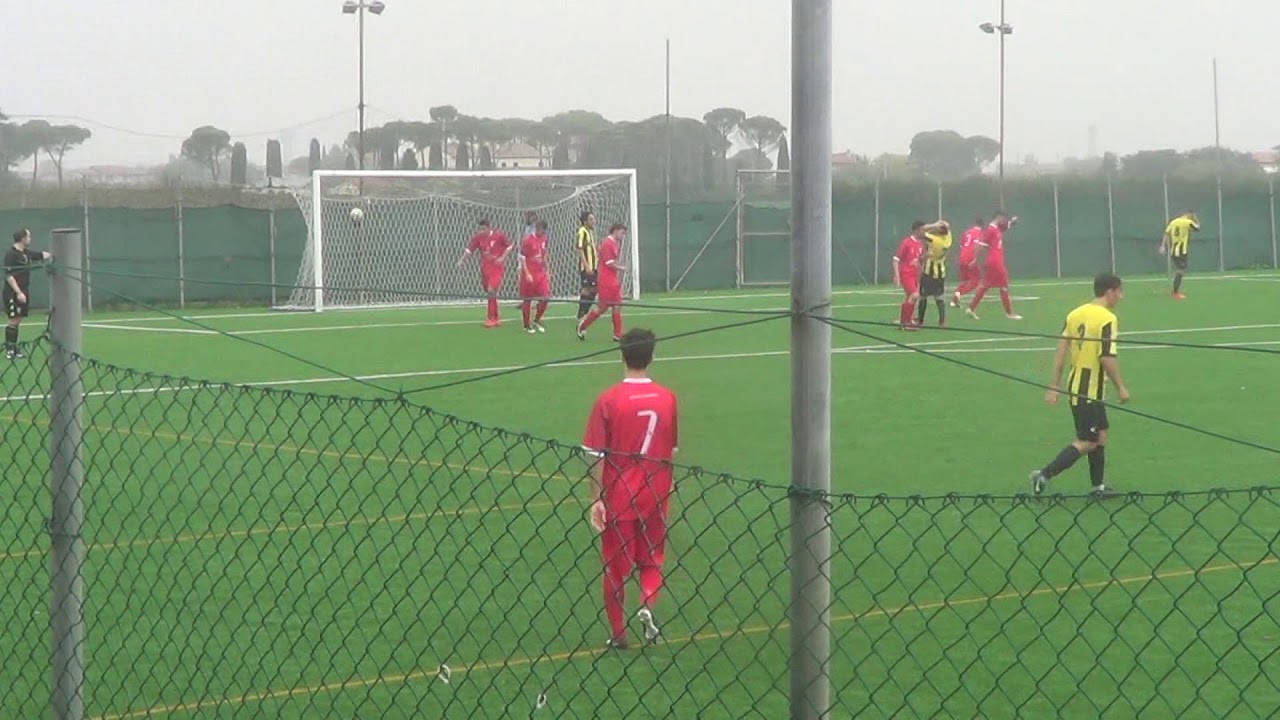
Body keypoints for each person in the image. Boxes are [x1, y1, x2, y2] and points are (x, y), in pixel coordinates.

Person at [582, 327, 679, 650]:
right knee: (652, 560)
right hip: (656, 491)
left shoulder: (609, 399)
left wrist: (595, 498)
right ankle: (647, 606)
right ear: (652, 356)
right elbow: (671, 450)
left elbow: (595, 454)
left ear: (621, 354)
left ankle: (619, 632)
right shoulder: (667, 398)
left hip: (620, 493)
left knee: (615, 566)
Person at [1030, 272, 1130, 498]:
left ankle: (1098, 488)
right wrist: (1121, 387)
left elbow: (1061, 351)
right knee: (1088, 441)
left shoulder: (1074, 314)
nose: (1121, 297)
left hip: (1077, 385)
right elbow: (1106, 357)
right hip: (1089, 390)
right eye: (1119, 292)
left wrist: (1054, 385)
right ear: (1109, 291)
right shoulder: (1107, 319)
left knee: (1101, 434)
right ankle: (1043, 475)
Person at [4, 228, 52, 360]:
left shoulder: (26, 253)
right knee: (13, 320)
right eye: (29, 236)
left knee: (18, 319)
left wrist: (54, 254)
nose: (30, 239)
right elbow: (8, 276)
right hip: (13, 292)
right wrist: (18, 292)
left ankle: (13, 347)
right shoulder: (11, 254)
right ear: (23, 238)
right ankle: (9, 350)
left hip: (24, 290)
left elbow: (41, 255)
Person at [455, 219, 512, 328]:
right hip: (485, 268)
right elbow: (469, 250)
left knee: (491, 290)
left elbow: (509, 247)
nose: (482, 231)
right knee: (490, 292)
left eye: (483, 229)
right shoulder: (478, 238)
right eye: (480, 229)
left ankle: (491, 318)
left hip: (496, 267)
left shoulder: (499, 236)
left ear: (489, 227)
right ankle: (496, 317)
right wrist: (461, 260)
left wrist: (502, 258)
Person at [966, 211, 1022, 321]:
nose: (1005, 221)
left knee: (986, 286)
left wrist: (1012, 222)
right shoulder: (991, 230)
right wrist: (974, 259)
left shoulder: (996, 229)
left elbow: (1005, 227)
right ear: (999, 218)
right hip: (995, 263)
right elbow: (979, 245)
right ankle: (1009, 313)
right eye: (1004, 219)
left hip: (994, 262)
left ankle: (971, 308)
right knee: (1003, 286)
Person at [577, 223, 627, 341]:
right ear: (615, 230)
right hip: (606, 280)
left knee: (616, 305)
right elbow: (608, 263)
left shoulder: (615, 243)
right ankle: (583, 326)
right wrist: (621, 268)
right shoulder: (607, 243)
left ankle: (617, 334)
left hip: (612, 279)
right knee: (603, 307)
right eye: (621, 232)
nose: (622, 235)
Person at [892, 221, 927, 331]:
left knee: (909, 297)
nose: (924, 232)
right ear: (916, 230)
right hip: (906, 274)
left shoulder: (920, 244)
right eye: (923, 230)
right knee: (915, 295)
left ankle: (904, 321)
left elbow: (919, 259)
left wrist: (925, 257)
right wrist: (897, 275)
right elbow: (896, 259)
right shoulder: (907, 242)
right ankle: (906, 323)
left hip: (915, 275)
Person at [918, 221, 953, 327]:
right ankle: (942, 321)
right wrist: (940, 224)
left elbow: (921, 232)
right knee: (939, 297)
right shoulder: (948, 239)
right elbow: (947, 226)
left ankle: (920, 321)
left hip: (929, 271)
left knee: (923, 296)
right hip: (940, 271)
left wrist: (933, 225)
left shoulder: (935, 240)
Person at [519, 220, 551, 333]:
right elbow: (522, 257)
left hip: (540, 272)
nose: (542, 232)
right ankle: (526, 325)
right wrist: (526, 273)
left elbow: (544, 254)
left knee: (546, 297)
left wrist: (547, 270)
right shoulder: (527, 240)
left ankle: (536, 319)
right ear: (537, 228)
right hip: (529, 272)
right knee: (527, 300)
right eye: (541, 230)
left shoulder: (544, 238)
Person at [1160, 209, 1199, 300]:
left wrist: (1162, 246)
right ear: (1188, 214)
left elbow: (1166, 233)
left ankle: (1175, 290)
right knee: (1181, 270)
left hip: (1174, 250)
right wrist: (1196, 219)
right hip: (1181, 251)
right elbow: (1197, 228)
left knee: (1181, 269)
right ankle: (1175, 292)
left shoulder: (1173, 222)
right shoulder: (1188, 222)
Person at [951, 218, 986, 307]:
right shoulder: (980, 233)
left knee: (964, 281)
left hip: (962, 257)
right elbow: (977, 246)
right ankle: (958, 294)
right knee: (975, 281)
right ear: (983, 225)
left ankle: (954, 300)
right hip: (970, 258)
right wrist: (974, 259)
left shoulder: (967, 232)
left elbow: (962, 245)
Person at [576, 211, 598, 322]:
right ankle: (581, 315)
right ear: (585, 221)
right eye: (591, 219)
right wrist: (586, 266)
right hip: (587, 268)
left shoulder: (590, 232)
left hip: (594, 266)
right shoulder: (582, 231)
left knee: (594, 290)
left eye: (593, 219)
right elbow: (579, 249)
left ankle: (584, 313)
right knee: (586, 290)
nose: (593, 221)